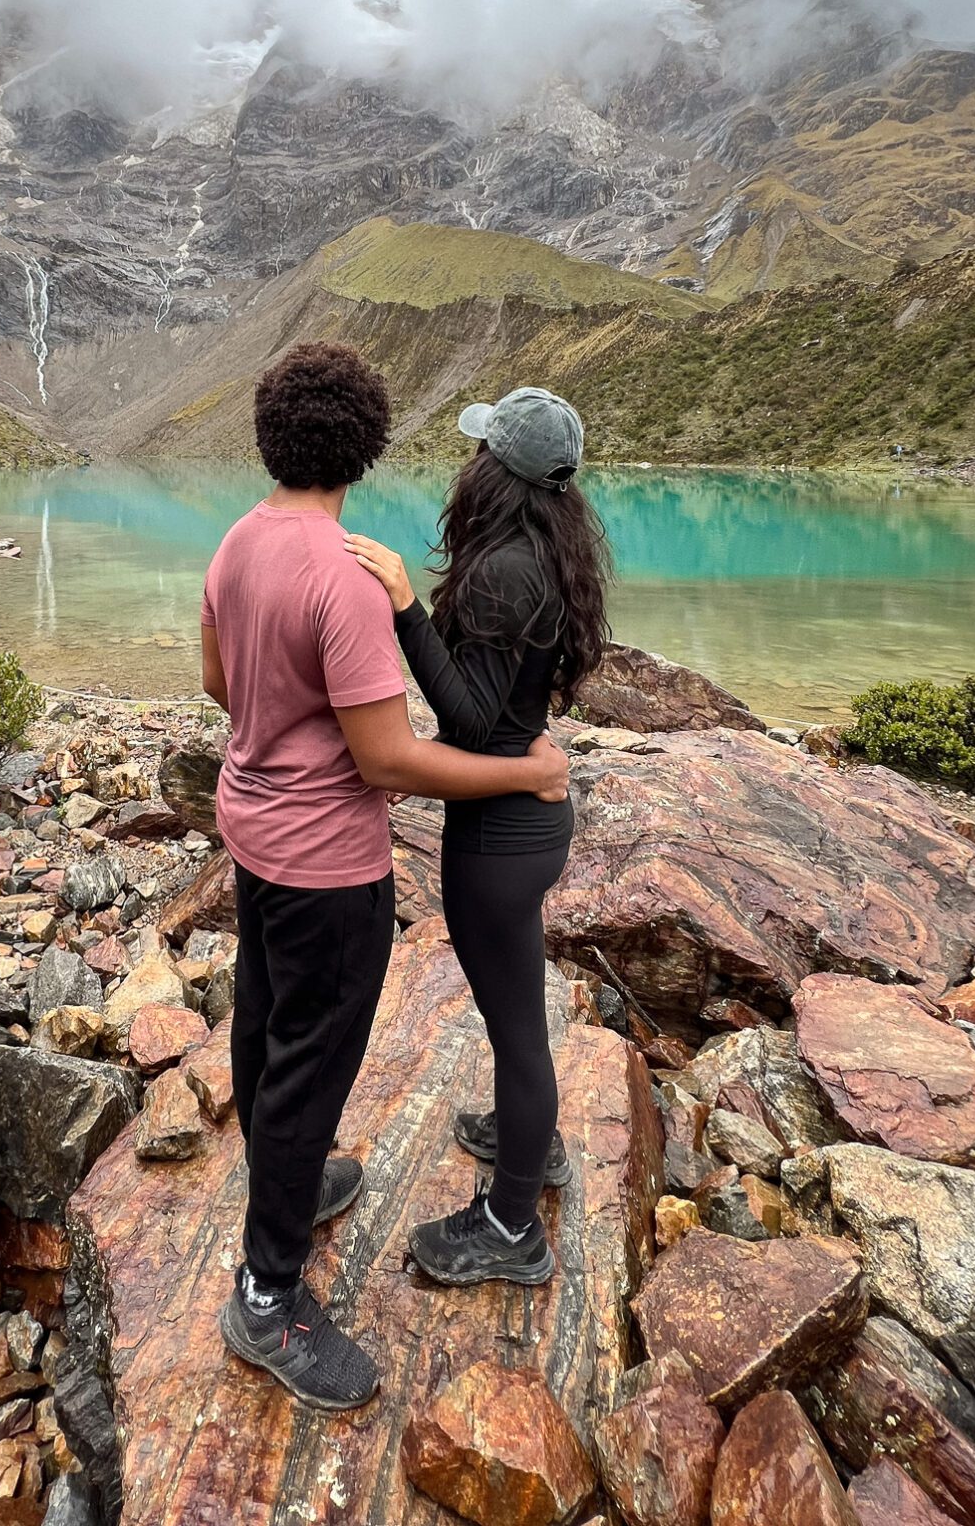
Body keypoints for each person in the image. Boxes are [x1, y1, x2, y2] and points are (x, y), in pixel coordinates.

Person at [201, 343, 570, 1413]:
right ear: (364, 447)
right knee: (313, 1058)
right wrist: (523, 767)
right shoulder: (347, 577)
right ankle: (266, 1296)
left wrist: (279, 724)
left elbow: (218, 680)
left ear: (268, 435)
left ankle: (295, 1174)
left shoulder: (235, 542)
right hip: (326, 861)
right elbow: (389, 762)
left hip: (253, 833)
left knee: (263, 1022)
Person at [344, 386, 611, 1288]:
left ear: (495, 471)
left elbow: (462, 721)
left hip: (499, 838)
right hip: (519, 825)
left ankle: (510, 1225)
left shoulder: (504, 572)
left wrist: (402, 609)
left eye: (479, 453)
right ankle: (525, 1140)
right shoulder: (545, 549)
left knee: (517, 1025)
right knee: (515, 1014)